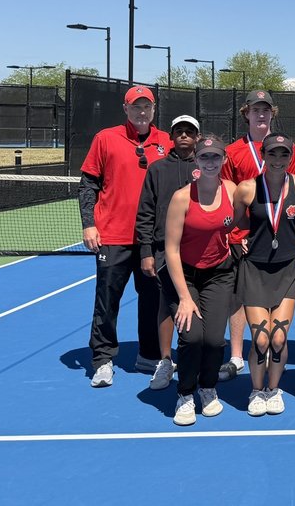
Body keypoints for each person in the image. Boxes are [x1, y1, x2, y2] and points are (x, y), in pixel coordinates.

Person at [81, 85, 173, 388]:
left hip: (152, 240)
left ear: (154, 109)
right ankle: (103, 359)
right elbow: (88, 185)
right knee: (107, 301)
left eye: (147, 106)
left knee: (152, 299)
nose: (142, 112)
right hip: (112, 236)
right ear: (126, 109)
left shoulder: (167, 142)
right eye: (136, 107)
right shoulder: (105, 139)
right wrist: (88, 224)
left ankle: (148, 354)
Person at [218, 90, 295, 382]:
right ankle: (237, 356)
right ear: (247, 114)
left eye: (266, 110)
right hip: (244, 241)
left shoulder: (290, 150)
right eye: (256, 110)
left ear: (272, 114)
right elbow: (228, 192)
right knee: (239, 301)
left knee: (274, 327)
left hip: (276, 240)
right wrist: (234, 235)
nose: (261, 115)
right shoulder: (232, 151)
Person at [232, 133, 295, 417]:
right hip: (254, 270)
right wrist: (238, 237)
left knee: (277, 338)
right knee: (261, 340)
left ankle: (273, 389)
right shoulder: (247, 189)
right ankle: (256, 390)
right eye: (272, 154)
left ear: (291, 157)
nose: (278, 160)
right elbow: (237, 221)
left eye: (283, 155)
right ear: (263, 155)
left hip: (288, 268)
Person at [162, 135, 237, 425]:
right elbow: (171, 249)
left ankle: (208, 389)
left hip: (219, 274)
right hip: (186, 275)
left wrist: (237, 241)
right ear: (196, 160)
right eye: (204, 157)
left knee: (215, 340)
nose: (210, 162)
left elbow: (239, 224)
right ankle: (185, 393)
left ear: (223, 161)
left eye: (215, 157)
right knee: (192, 337)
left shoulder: (231, 190)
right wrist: (184, 296)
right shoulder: (182, 197)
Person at [135, 114, 201, 391]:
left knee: (199, 302)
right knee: (166, 303)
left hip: (199, 248)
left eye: (189, 131)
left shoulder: (205, 166)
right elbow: (145, 212)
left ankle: (199, 360)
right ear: (172, 137)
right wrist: (146, 251)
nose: (184, 135)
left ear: (197, 137)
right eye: (179, 131)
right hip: (164, 249)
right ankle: (165, 360)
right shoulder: (157, 169)